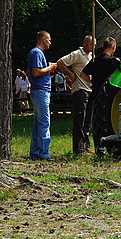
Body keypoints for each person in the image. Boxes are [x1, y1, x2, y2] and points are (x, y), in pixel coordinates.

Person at [80, 37, 121, 156]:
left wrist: (92, 81)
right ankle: (113, 146)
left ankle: (99, 147)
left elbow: (82, 74)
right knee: (111, 121)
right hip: (110, 97)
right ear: (113, 47)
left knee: (96, 122)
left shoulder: (95, 60)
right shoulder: (112, 61)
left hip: (95, 94)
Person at [57, 35, 94, 155]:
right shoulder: (77, 54)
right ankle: (78, 148)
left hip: (89, 89)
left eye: (94, 45)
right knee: (80, 118)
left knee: (87, 119)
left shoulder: (91, 57)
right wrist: (70, 74)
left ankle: (86, 146)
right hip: (80, 90)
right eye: (90, 44)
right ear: (84, 43)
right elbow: (60, 62)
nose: (92, 47)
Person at [27, 31, 57, 161]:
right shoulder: (36, 53)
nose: (50, 42)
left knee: (38, 123)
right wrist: (49, 67)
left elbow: (32, 72)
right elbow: (36, 72)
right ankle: (44, 153)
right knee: (44, 122)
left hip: (39, 90)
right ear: (43, 39)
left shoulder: (36, 53)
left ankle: (35, 152)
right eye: (49, 40)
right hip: (41, 91)